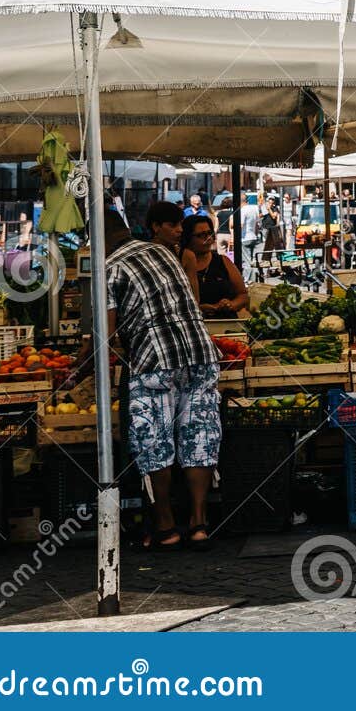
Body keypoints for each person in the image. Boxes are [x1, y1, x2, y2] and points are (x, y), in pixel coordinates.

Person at [104, 207, 221, 548]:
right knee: (199, 435)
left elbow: (106, 335)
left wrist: (83, 363)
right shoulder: (161, 251)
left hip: (154, 360)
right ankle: (199, 524)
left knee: (154, 443)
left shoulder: (109, 267)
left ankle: (167, 528)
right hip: (199, 353)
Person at [180, 213, 249, 319]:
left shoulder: (222, 261)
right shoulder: (179, 265)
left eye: (210, 233)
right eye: (201, 235)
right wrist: (199, 308)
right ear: (187, 238)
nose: (208, 239)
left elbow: (243, 295)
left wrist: (230, 305)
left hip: (225, 324)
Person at [238, 192, 261, 283]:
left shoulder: (243, 210)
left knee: (246, 261)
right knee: (251, 259)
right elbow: (257, 224)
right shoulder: (254, 208)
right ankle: (253, 278)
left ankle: (247, 280)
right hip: (253, 237)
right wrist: (255, 234)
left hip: (245, 237)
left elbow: (241, 224)